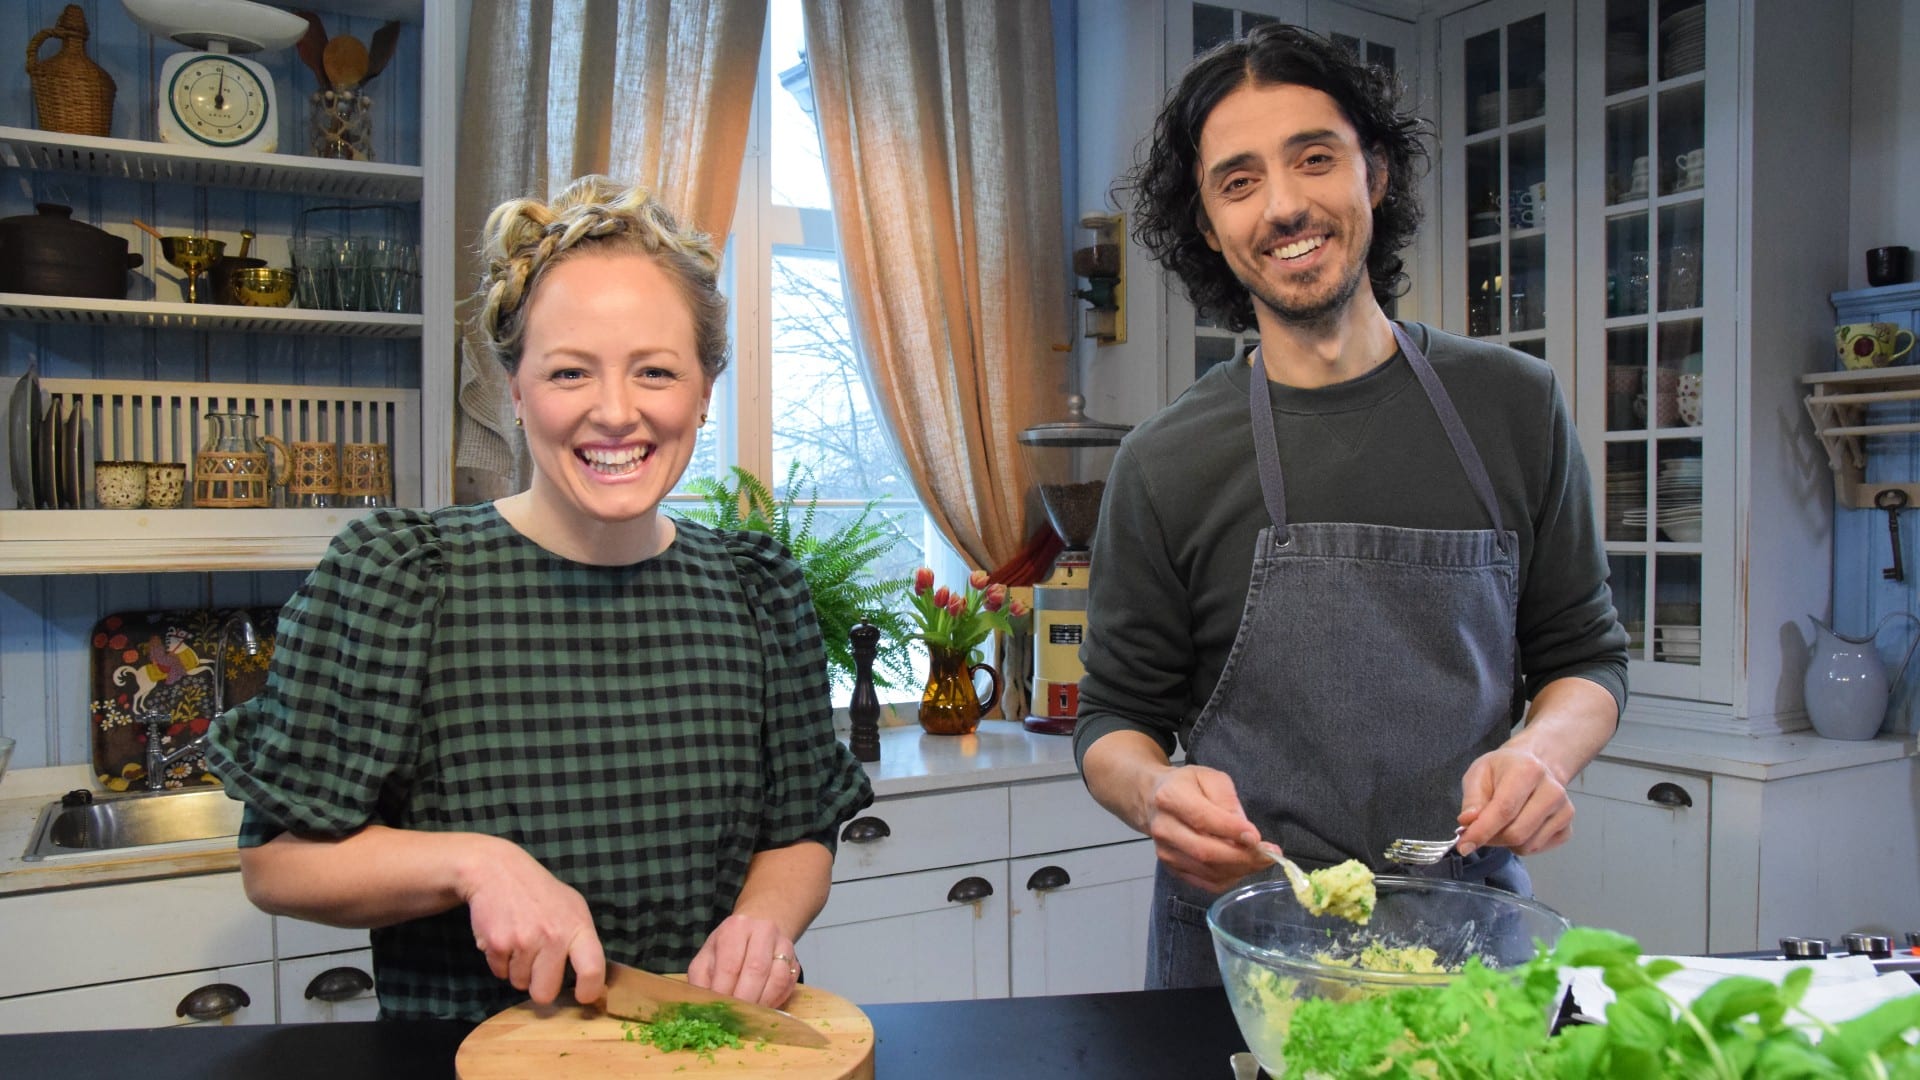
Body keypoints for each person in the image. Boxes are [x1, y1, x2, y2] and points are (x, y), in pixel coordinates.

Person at [206, 175, 874, 1021]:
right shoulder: (403, 579)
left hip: (700, 1056)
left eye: (656, 371)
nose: (616, 413)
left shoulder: (757, 590)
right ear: (516, 391)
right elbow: (277, 864)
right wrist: (477, 865)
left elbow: (800, 831)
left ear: (704, 391)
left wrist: (762, 922)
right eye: (569, 372)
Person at [1073, 25, 1629, 989]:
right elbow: (1114, 719)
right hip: (1241, 948)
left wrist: (1544, 752)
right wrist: (1155, 790)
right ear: (1207, 225)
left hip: (1469, 934)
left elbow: (1586, 655)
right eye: (1238, 181)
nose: (1284, 205)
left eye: (1315, 158)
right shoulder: (1164, 463)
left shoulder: (1514, 405)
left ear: (1374, 172)